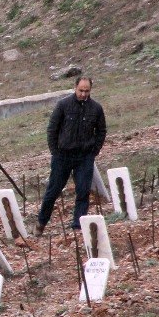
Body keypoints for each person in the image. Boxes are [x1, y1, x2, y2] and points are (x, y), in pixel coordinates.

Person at [36, 76, 106, 234]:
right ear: (75, 87)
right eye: (81, 90)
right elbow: (52, 129)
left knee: (83, 191)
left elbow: (101, 131)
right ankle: (41, 223)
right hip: (63, 156)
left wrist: (94, 151)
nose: (83, 94)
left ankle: (78, 226)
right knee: (53, 191)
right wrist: (55, 151)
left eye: (86, 91)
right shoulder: (63, 105)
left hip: (84, 157)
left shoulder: (96, 108)